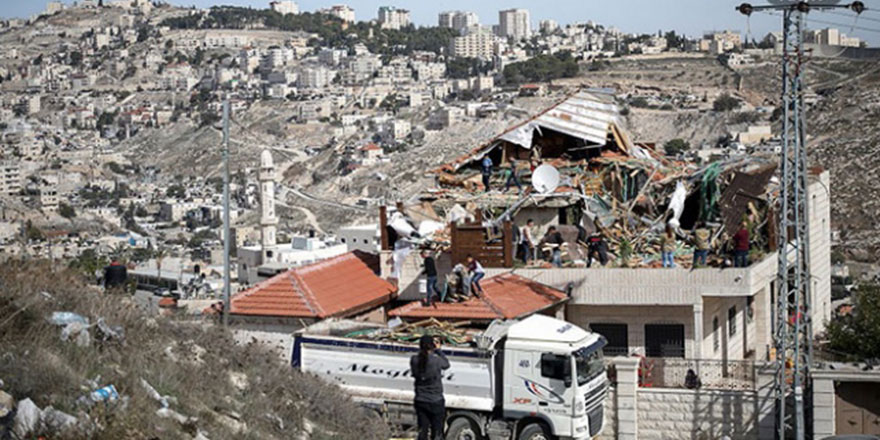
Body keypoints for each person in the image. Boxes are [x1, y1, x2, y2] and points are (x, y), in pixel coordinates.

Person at [411, 335, 450, 440]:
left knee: (422, 430)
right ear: (432, 346)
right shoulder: (436, 361)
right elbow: (446, 364)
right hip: (435, 401)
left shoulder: (414, 360)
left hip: (420, 400)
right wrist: (438, 350)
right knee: (437, 432)